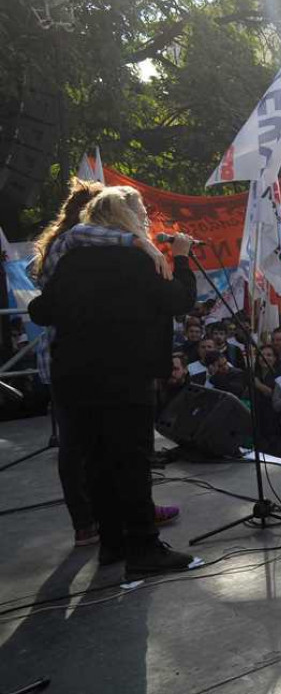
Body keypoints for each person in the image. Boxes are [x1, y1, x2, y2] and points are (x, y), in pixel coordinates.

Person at [28, 185, 200, 578]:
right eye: (141, 214)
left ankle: (112, 546)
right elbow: (178, 300)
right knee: (131, 462)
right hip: (125, 376)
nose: (145, 221)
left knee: (98, 464)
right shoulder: (137, 260)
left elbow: (41, 310)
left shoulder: (68, 261)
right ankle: (144, 548)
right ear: (127, 219)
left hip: (74, 378)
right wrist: (182, 258)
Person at [251, 345, 281, 453]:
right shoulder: (255, 372)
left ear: (275, 358)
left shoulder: (280, 373)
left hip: (273, 420)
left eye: (269, 355)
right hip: (257, 417)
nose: (264, 358)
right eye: (261, 355)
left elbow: (274, 394)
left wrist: (258, 385)